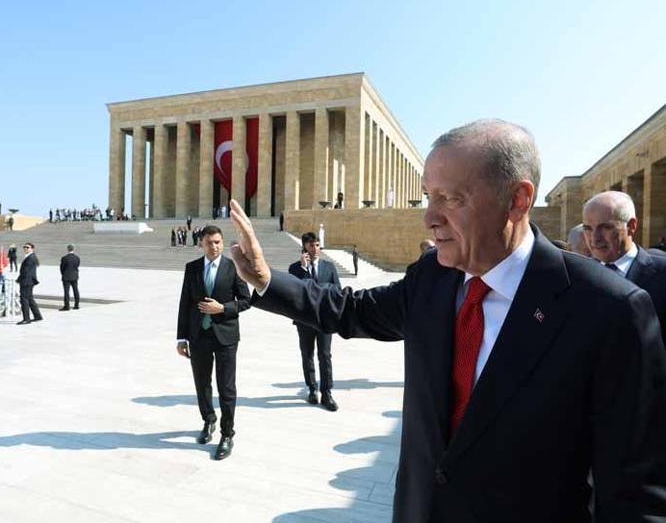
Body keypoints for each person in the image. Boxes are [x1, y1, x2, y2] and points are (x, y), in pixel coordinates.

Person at [228, 119, 666, 522]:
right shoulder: (432, 279)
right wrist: (266, 280)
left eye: (451, 199)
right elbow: (352, 310)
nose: (429, 218)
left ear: (517, 200)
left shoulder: (607, 309)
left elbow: (632, 496)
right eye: (427, 197)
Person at [176, 225, 250, 461]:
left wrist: (223, 308)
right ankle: (209, 420)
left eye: (218, 242)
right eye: (210, 242)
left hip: (226, 336)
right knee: (202, 383)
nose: (214, 246)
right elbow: (185, 303)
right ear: (201, 244)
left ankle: (227, 434)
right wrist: (181, 337)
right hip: (199, 336)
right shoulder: (192, 268)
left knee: (226, 387)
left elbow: (247, 301)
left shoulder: (233, 268)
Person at [582, 190, 666, 344]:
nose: (595, 238)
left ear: (631, 226)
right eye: (588, 228)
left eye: (606, 227)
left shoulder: (662, 274)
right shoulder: (578, 274)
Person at [288, 232, 341, 410]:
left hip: (325, 319)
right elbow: (296, 291)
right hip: (304, 320)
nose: (315, 249)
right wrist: (304, 270)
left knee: (325, 355)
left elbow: (337, 291)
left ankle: (327, 393)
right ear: (304, 247)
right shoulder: (295, 269)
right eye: (311, 246)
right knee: (307, 354)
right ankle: (312, 388)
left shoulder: (329, 267)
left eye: (317, 245)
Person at [16, 242, 42, 325]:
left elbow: (26, 271)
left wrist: (19, 279)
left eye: (27, 247)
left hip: (26, 281)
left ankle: (26, 318)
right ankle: (37, 316)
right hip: (29, 281)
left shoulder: (31, 257)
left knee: (24, 299)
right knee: (30, 298)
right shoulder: (30, 257)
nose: (25, 248)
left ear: (32, 248)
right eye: (24, 247)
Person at [59, 244, 80, 311]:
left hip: (66, 276)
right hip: (74, 276)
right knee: (75, 290)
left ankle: (67, 306)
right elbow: (77, 266)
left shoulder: (64, 258)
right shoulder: (77, 258)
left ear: (68, 249)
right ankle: (76, 305)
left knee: (66, 291)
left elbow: (62, 268)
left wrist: (63, 274)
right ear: (74, 249)